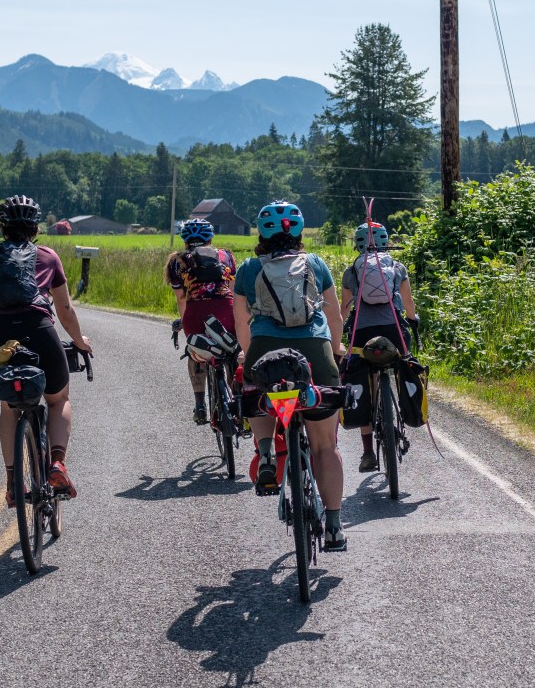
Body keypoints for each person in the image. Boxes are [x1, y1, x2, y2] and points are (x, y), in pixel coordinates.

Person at [232, 201, 348, 551]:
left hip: (265, 348)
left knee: (254, 389)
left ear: (261, 233)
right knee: (325, 446)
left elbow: (241, 324)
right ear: (298, 232)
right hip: (315, 351)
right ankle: (333, 527)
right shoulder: (316, 264)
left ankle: (266, 449)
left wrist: (248, 353)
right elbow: (335, 318)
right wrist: (336, 349)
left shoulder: (249, 269)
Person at [0, 195, 93, 504]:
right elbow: (65, 311)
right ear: (35, 227)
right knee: (58, 399)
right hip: (39, 332)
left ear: (2, 227)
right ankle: (56, 463)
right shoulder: (48, 257)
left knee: (8, 405)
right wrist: (80, 342)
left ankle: (14, 482)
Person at [340, 221, 418, 473]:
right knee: (404, 363)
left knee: (364, 378)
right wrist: (414, 321)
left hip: (362, 334)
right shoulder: (397, 267)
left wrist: (339, 333)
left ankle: (367, 453)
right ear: (385, 242)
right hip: (393, 330)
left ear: (358, 244)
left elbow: (344, 309)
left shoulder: (351, 270)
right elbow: (408, 305)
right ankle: (409, 410)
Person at [164, 217, 237, 424]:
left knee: (195, 353)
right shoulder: (226, 256)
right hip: (225, 310)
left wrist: (183, 320)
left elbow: (181, 298)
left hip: (196, 312)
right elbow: (232, 292)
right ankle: (237, 401)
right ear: (210, 237)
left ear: (185, 239)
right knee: (233, 352)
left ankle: (200, 405)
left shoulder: (177, 261)